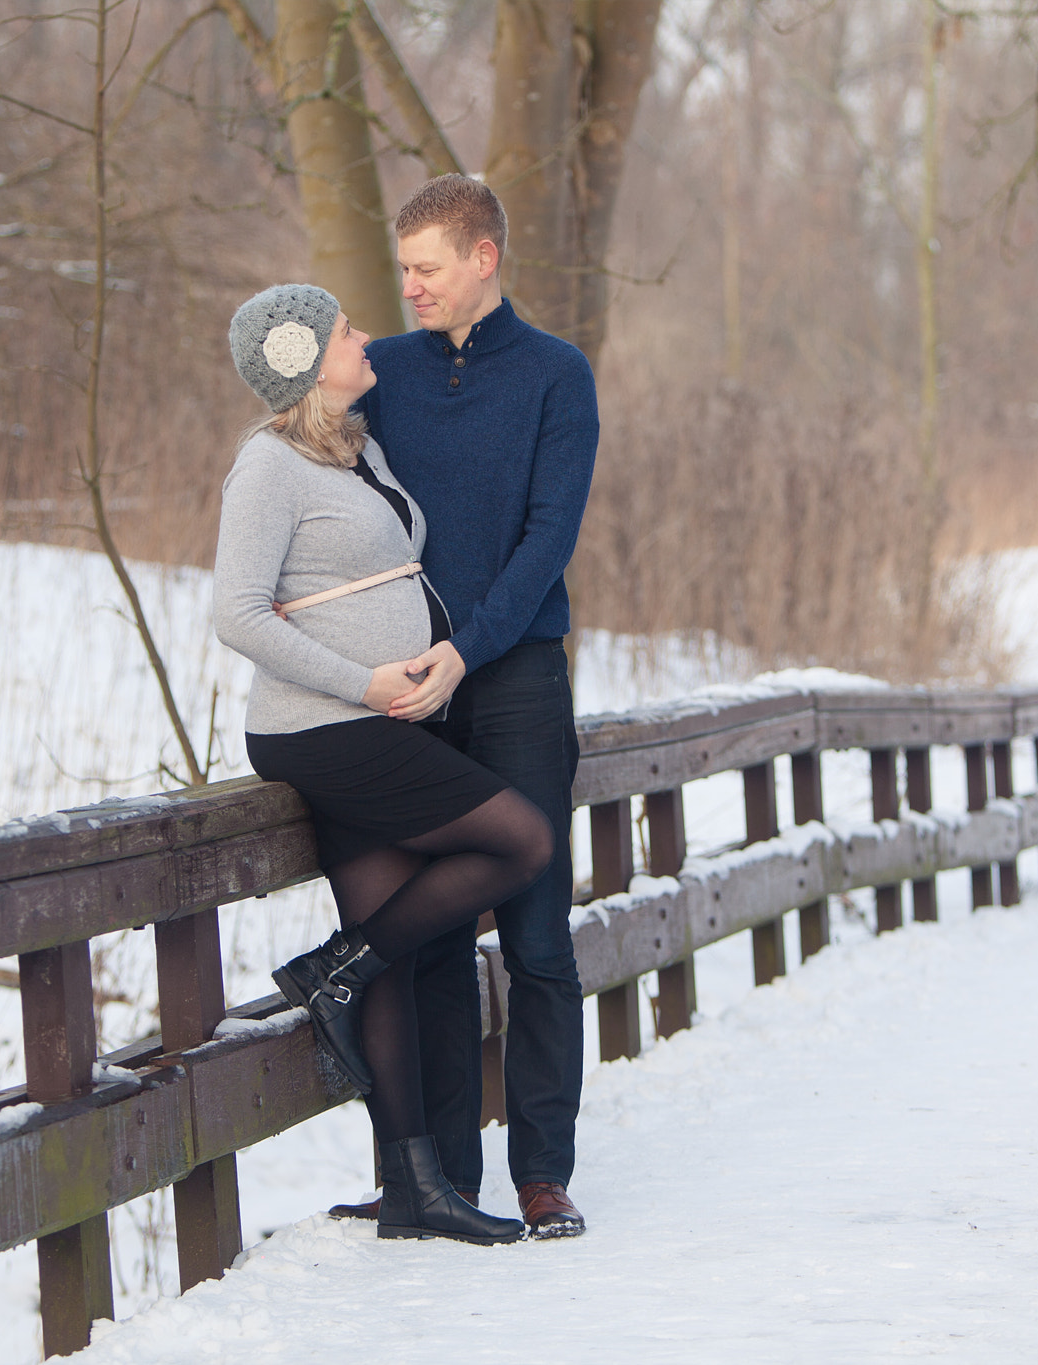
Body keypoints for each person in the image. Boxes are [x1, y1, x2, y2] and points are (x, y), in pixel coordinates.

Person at [213, 281, 550, 1246]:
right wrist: (363, 684)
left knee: (391, 961)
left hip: (379, 727)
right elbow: (236, 613)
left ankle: (414, 1188)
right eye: (348, 331)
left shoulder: (356, 447)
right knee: (519, 838)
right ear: (307, 359)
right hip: (324, 728)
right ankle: (337, 970)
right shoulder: (267, 466)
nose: (368, 339)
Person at [334, 174, 599, 1239]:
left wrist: (464, 652)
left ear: (482, 258)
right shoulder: (380, 375)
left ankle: (543, 1172)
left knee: (537, 934)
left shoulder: (554, 376)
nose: (409, 288)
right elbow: (327, 507)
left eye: (427, 268)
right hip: (410, 693)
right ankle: (442, 1174)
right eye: (401, 269)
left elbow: (548, 539)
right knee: (433, 939)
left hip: (518, 682)